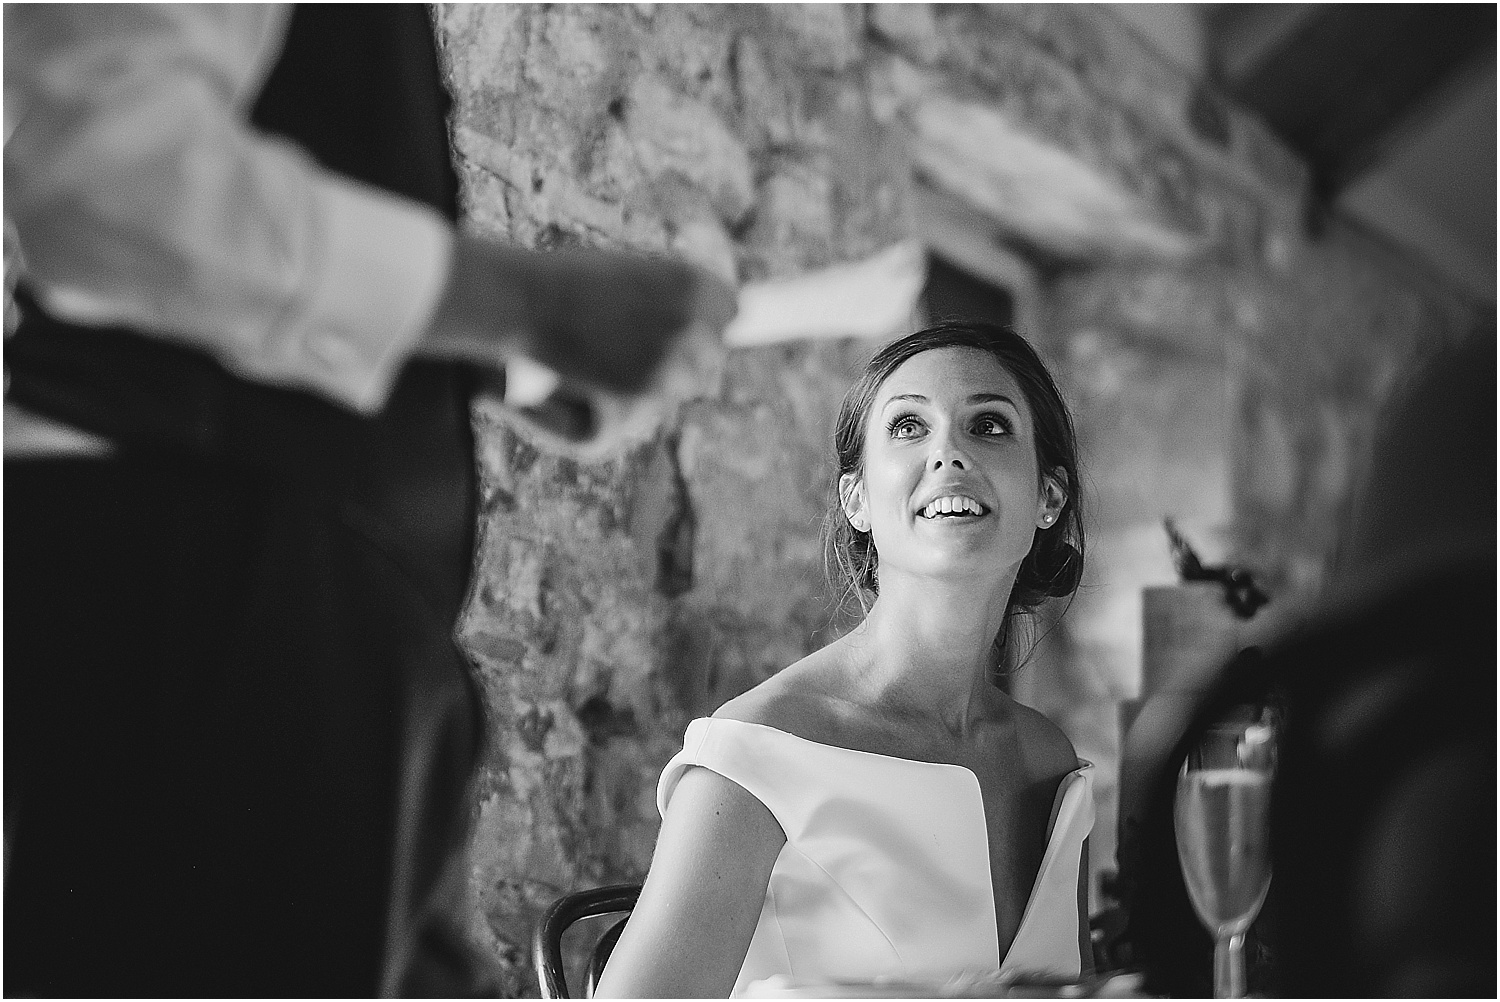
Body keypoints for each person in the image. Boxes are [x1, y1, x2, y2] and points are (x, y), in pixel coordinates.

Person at [3, 5, 734, 997]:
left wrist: (491, 362)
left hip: (306, 625)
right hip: (198, 602)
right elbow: (110, 190)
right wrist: (534, 302)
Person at [595, 320, 1094, 998]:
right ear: (856, 500)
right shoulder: (755, 754)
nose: (948, 451)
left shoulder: (1049, 761)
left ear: (1048, 498)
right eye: (910, 427)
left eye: (990, 426)